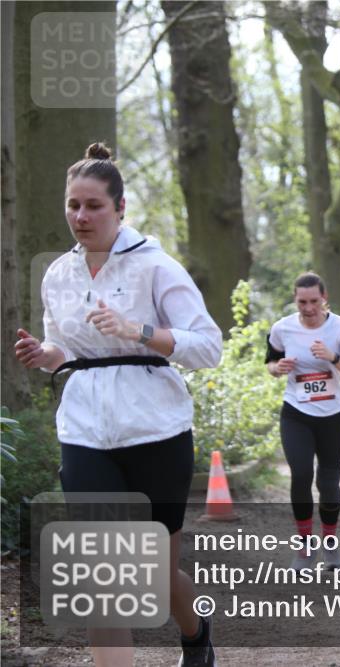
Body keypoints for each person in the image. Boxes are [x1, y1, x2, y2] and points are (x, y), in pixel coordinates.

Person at [13, 143, 223, 667]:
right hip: (85, 433)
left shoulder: (155, 266)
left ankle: (195, 633)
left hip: (157, 432)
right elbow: (66, 346)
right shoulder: (58, 274)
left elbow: (208, 347)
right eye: (73, 205)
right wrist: (44, 355)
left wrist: (141, 331)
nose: (80, 216)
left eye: (93, 206)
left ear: (121, 207)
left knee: (154, 570)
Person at [266, 272, 340, 570]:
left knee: (329, 483)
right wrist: (277, 367)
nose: (308, 308)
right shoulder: (282, 328)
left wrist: (333, 358)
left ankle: (331, 545)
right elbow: (270, 362)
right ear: (295, 300)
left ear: (324, 299)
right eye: (301, 302)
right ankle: (306, 548)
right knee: (300, 475)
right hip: (296, 413)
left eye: (313, 301)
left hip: (332, 417)